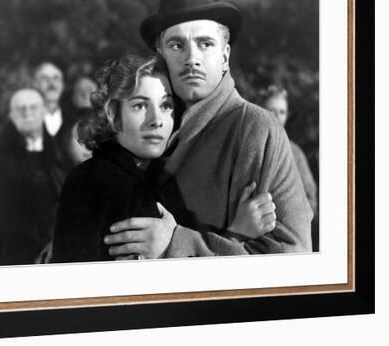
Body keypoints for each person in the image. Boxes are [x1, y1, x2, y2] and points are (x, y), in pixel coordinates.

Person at [103, 0, 313, 258]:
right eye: (177, 45)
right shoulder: (142, 126)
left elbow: (293, 258)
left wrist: (174, 244)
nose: (192, 59)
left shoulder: (255, 129)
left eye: (205, 44)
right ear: (160, 56)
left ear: (225, 56)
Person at [51, 55, 275, 263]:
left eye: (165, 105)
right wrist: (237, 235)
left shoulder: (159, 178)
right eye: (140, 106)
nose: (156, 120)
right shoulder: (99, 180)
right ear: (113, 115)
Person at [0, 88, 66, 265]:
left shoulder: (59, 152)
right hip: (21, 251)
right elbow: (7, 216)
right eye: (20, 108)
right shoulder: (0, 161)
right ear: (11, 115)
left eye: (33, 107)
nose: (27, 113)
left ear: (44, 111)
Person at [261, 85, 319, 251]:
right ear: (262, 111)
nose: (277, 117)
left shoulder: (296, 153)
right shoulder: (249, 147)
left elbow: (311, 199)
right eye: (272, 110)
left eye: (282, 112)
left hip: (290, 238)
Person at [33, 61, 65, 137]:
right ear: (35, 84)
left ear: (62, 85)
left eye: (56, 78)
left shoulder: (74, 119)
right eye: (45, 79)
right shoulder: (23, 120)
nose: (51, 83)